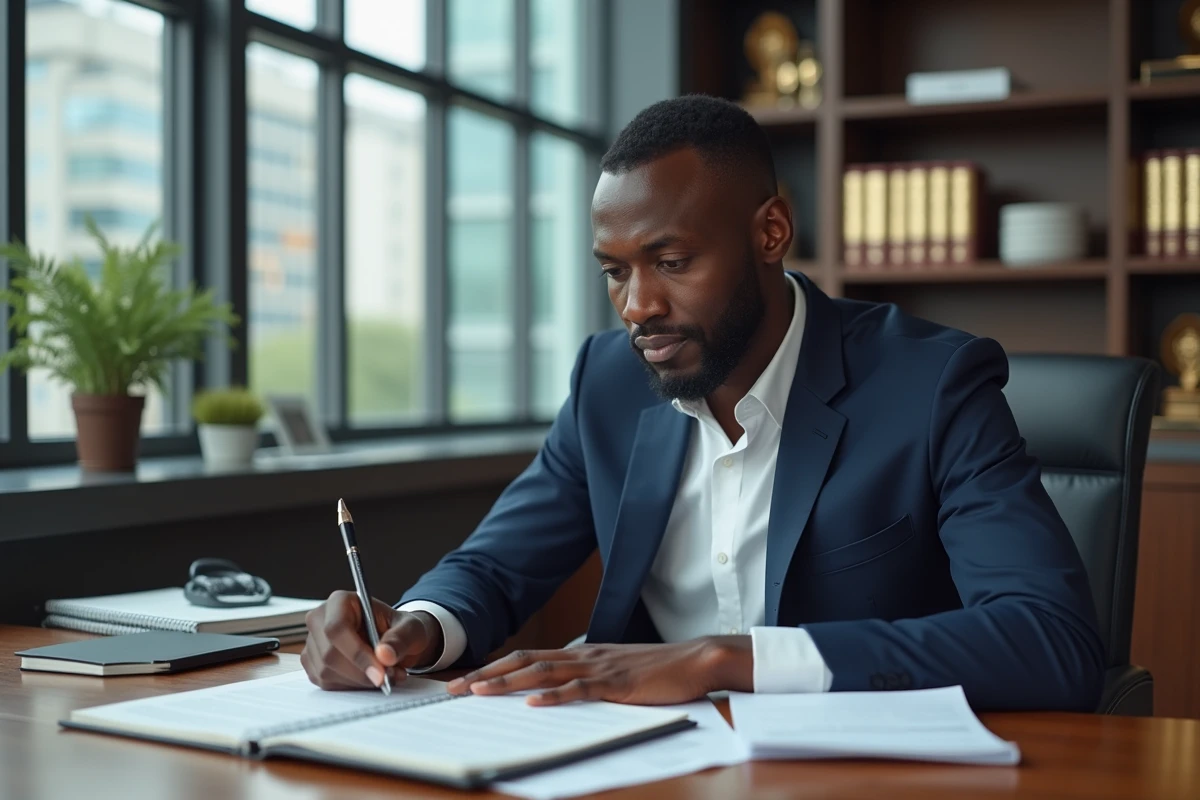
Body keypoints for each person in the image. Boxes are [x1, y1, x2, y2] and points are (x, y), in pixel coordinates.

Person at [302, 95, 1104, 711]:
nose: (635, 306)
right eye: (614, 271)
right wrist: (414, 629)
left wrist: (728, 658)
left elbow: (1050, 639)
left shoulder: (933, 386)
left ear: (771, 232)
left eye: (671, 260)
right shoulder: (607, 383)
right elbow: (495, 565)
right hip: (643, 760)